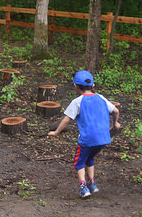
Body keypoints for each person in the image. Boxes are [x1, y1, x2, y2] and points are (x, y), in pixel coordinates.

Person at [48, 70, 121, 199]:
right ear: (93, 85)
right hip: (104, 138)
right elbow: (115, 110)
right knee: (89, 158)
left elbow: (67, 119)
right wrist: (115, 124)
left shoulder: (78, 101)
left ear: (76, 86)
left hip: (88, 139)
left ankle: (83, 188)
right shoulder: (101, 97)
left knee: (79, 162)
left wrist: (56, 132)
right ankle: (92, 184)